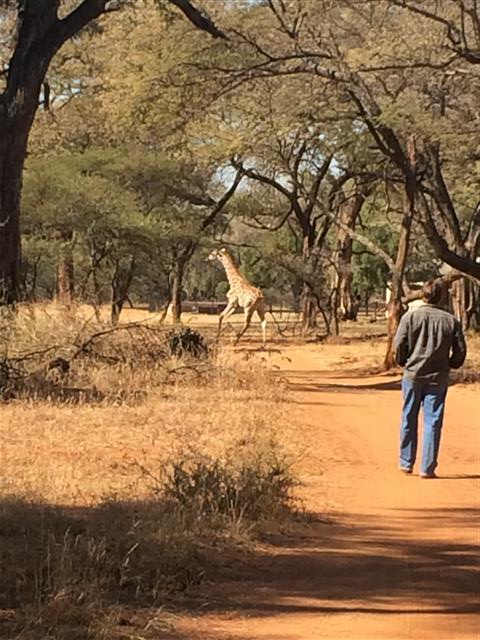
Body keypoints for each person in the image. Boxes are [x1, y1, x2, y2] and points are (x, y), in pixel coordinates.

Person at [394, 280, 467, 478]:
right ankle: (427, 468)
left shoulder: (410, 317)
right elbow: (460, 351)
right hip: (438, 377)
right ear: (441, 297)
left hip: (413, 375)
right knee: (433, 421)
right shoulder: (451, 321)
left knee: (409, 417)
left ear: (423, 295)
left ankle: (406, 462)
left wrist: (404, 362)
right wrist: (451, 364)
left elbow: (399, 345)